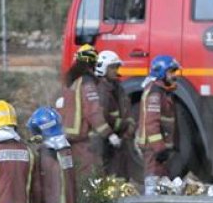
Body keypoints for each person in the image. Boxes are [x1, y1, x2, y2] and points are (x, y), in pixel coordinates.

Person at [61, 44, 118, 180]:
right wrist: (109, 134)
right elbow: (93, 112)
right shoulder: (87, 83)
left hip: (67, 138)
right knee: (90, 174)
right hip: (82, 139)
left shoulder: (72, 82)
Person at [137, 55, 180, 193]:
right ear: (161, 72)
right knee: (153, 183)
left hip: (158, 149)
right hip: (153, 149)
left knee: (162, 184)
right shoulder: (155, 93)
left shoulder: (162, 91)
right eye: (171, 72)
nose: (174, 75)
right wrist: (159, 149)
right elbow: (151, 123)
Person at [94, 50, 138, 181]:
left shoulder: (119, 89)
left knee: (121, 176)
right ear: (103, 68)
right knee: (107, 177)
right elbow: (100, 117)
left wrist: (128, 131)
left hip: (120, 142)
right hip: (105, 143)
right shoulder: (100, 90)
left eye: (117, 67)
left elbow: (128, 113)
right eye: (112, 67)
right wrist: (112, 133)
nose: (116, 70)